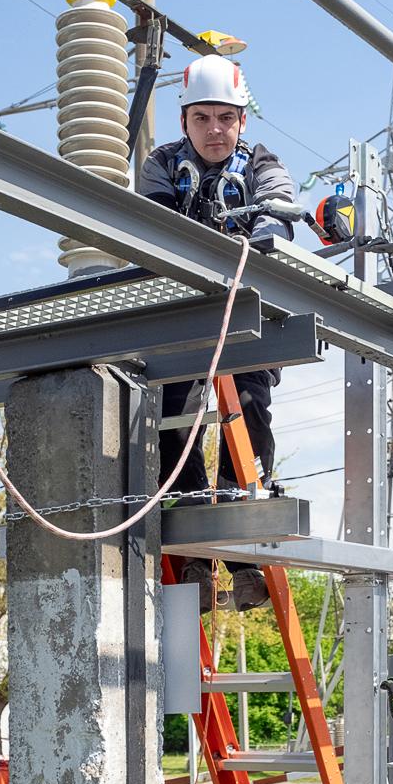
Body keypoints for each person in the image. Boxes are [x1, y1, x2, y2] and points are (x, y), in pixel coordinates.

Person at [139, 54, 295, 614]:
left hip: (246, 312)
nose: (214, 130)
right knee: (173, 412)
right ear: (184, 120)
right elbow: (153, 225)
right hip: (184, 314)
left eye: (225, 118)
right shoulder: (161, 165)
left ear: (242, 121)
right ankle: (194, 558)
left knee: (249, 405)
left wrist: (259, 237)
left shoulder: (262, 164)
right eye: (201, 118)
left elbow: (279, 215)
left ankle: (244, 554)